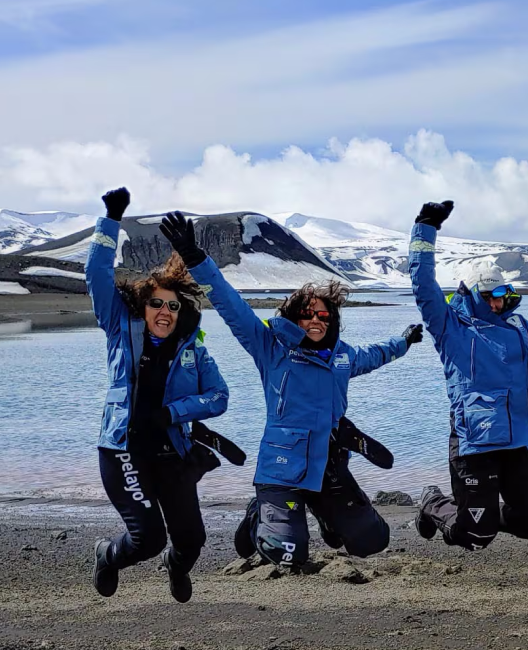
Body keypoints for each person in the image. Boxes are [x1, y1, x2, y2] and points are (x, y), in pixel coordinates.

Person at [158, 211, 422, 567]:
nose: (316, 320)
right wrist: (195, 259)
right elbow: (229, 304)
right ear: (295, 317)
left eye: (324, 316)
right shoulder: (271, 348)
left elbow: (377, 354)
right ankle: (258, 515)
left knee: (372, 541)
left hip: (327, 466)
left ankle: (327, 516)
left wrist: (404, 341)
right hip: (281, 470)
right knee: (287, 553)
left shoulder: (342, 358)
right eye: (308, 314)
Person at [407, 200, 528, 550]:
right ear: (472, 295)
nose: (498, 303)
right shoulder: (450, 327)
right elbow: (423, 285)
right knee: (474, 537)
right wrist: (425, 228)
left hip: (518, 439)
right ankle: (432, 503)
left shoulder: (517, 324)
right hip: (475, 443)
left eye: (502, 295)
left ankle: (479, 514)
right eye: (491, 296)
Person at [87, 188, 230, 603]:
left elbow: (219, 397)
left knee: (192, 540)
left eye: (172, 306)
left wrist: (171, 413)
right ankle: (107, 556)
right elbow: (97, 275)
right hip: (123, 450)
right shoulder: (120, 328)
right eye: (156, 304)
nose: (164, 312)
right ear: (143, 305)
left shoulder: (194, 349)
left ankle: (175, 565)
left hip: (171, 451)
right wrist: (110, 219)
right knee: (146, 538)